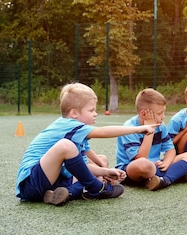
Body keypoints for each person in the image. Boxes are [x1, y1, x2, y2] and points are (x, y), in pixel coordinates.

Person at [16, 83, 157, 206]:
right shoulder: (68, 125)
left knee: (88, 167)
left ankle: (68, 193)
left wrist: (106, 172)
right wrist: (139, 129)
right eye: (91, 110)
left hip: (48, 184)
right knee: (65, 145)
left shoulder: (76, 134)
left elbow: (84, 167)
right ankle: (98, 189)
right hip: (30, 183)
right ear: (74, 113)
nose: (95, 114)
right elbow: (102, 132)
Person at [116, 88, 187, 191]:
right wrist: (150, 130)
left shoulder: (161, 126)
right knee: (144, 164)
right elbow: (141, 158)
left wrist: (166, 163)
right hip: (132, 170)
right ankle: (177, 174)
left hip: (156, 165)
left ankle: (165, 180)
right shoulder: (129, 128)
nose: (163, 116)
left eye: (163, 112)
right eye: (159, 113)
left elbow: (170, 150)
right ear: (145, 114)